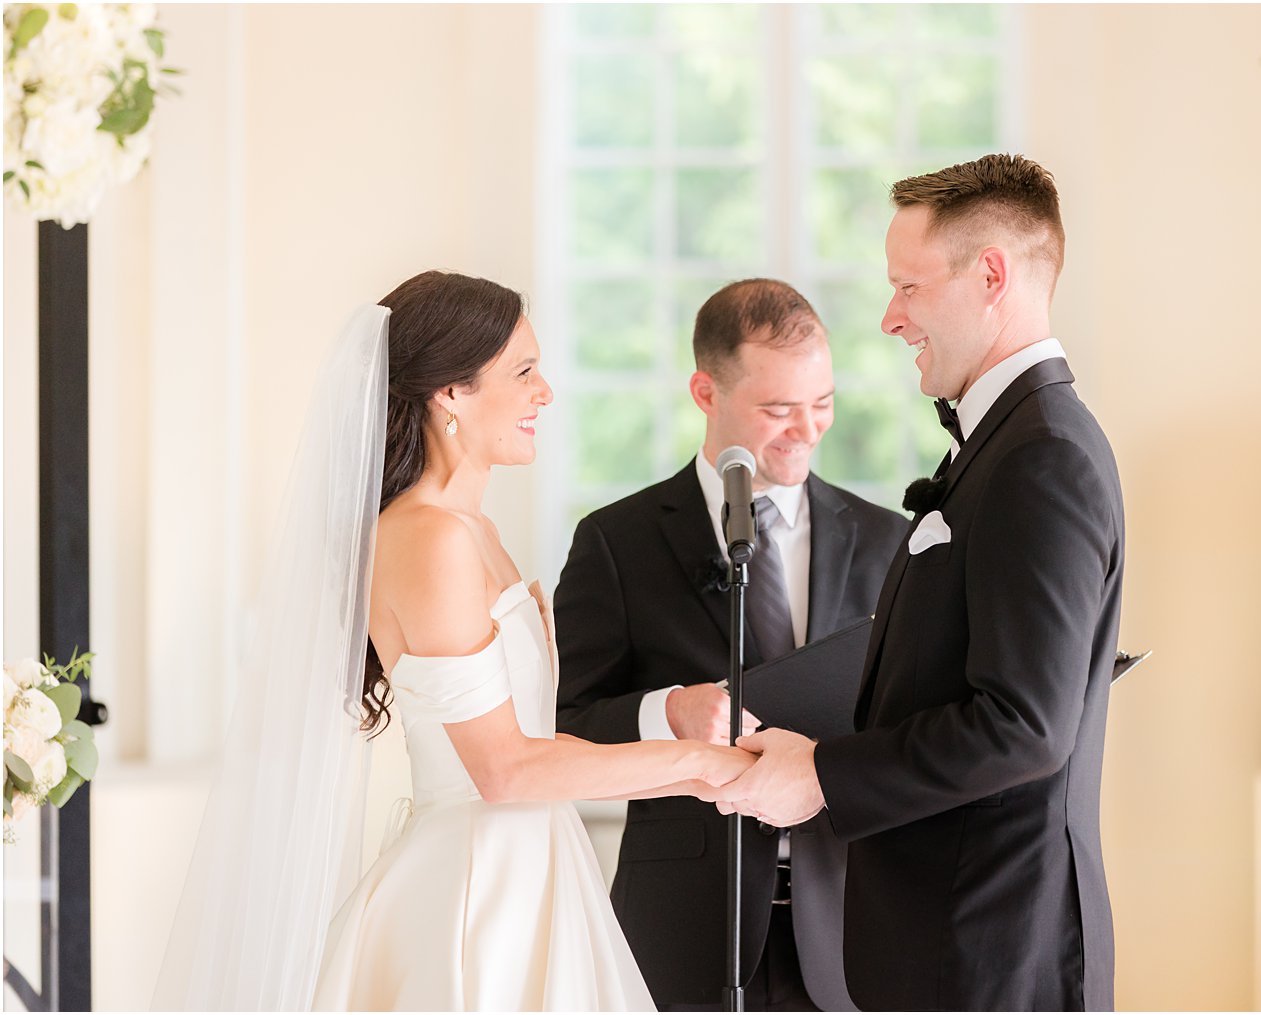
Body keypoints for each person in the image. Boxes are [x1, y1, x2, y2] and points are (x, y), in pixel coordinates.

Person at [154, 271, 753, 1012]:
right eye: (524, 371)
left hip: (535, 862)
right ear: (451, 394)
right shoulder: (430, 537)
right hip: (478, 891)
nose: (546, 393)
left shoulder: (474, 532)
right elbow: (503, 767)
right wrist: (701, 762)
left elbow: (533, 741)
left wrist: (710, 775)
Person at [709, 155, 1126, 1011]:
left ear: (992, 276)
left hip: (989, 953)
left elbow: (1024, 726)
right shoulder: (1007, 442)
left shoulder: (1040, 456)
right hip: (957, 945)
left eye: (908, 286)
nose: (891, 317)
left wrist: (824, 772)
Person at [555, 279, 907, 1011]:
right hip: (682, 927)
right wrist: (665, 712)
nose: (806, 430)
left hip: (854, 927)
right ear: (705, 391)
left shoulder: (887, 542)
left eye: (823, 404)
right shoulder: (616, 543)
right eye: (778, 409)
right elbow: (563, 727)